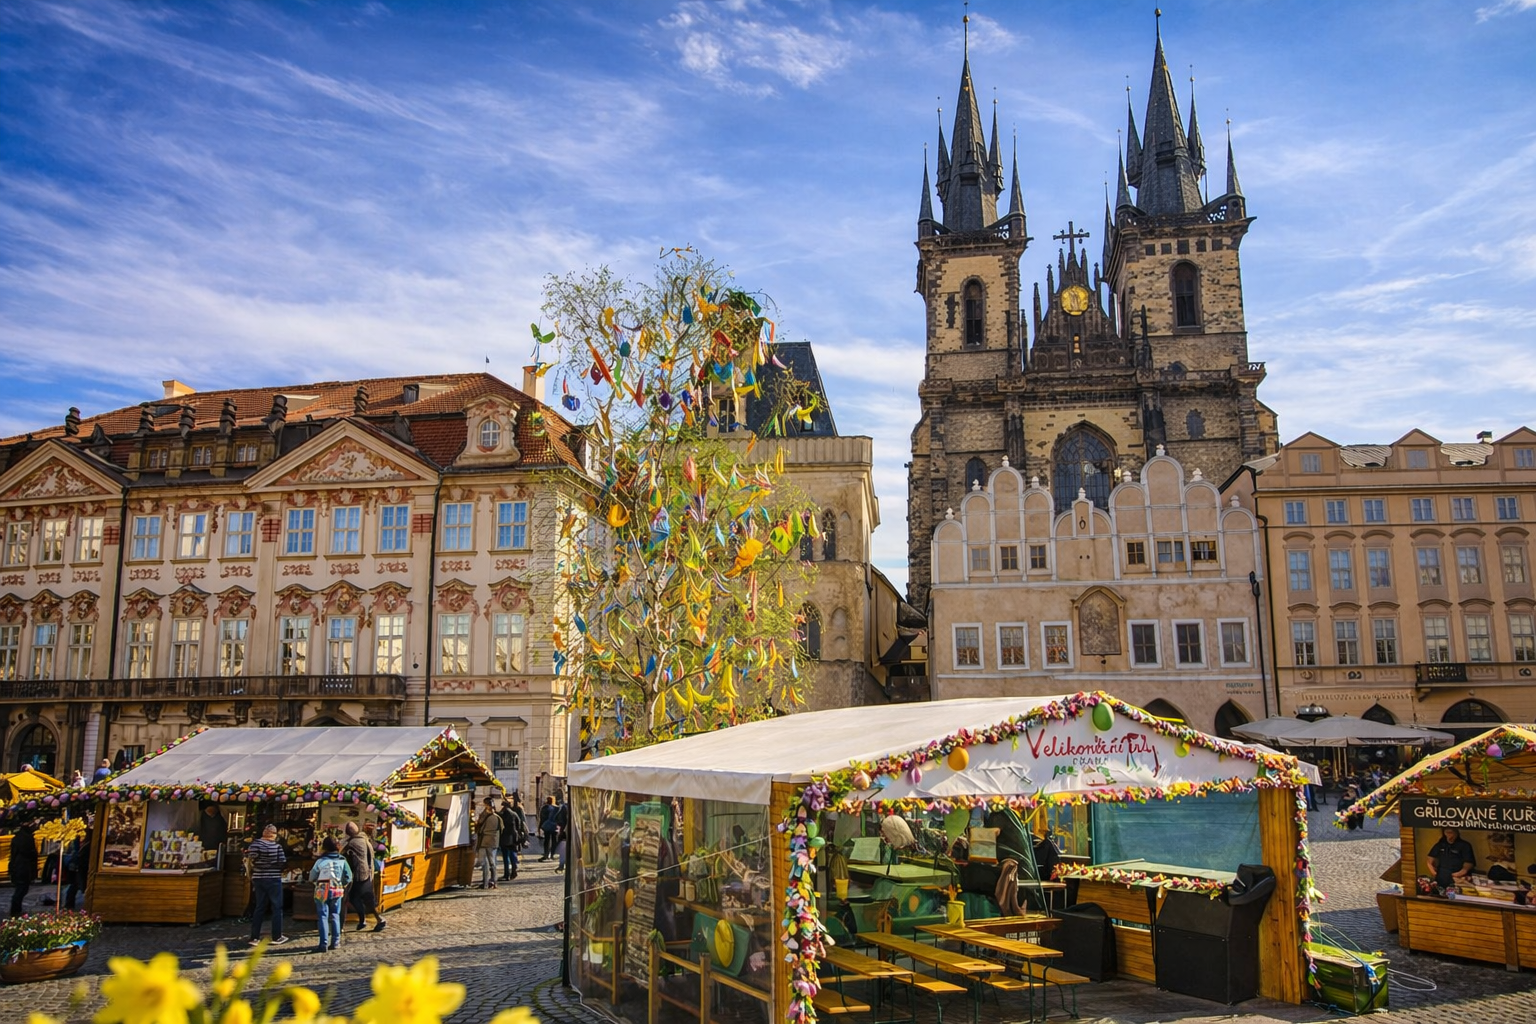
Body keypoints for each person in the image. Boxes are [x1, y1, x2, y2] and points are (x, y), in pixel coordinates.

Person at [247, 824, 290, 945]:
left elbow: (250, 859)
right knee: (277, 907)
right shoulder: (277, 847)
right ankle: (277, 936)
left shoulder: (255, 845)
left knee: (259, 907)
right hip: (273, 878)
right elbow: (282, 862)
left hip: (258, 878)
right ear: (273, 835)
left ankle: (254, 937)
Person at [308, 836, 353, 953]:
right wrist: (342, 884)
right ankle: (336, 942)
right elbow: (349, 877)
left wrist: (316, 882)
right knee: (335, 915)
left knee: (323, 916)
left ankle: (323, 944)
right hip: (337, 889)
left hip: (322, 890)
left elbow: (312, 877)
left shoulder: (320, 861)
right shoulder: (342, 860)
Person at [343, 822, 386, 931]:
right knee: (356, 898)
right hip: (367, 872)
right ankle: (363, 920)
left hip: (359, 875)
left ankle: (379, 919)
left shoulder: (352, 843)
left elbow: (345, 856)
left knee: (366, 899)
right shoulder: (364, 839)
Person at [7, 823, 37, 917]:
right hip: (24, 866)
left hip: (18, 865)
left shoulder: (16, 838)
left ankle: (16, 909)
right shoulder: (27, 839)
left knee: (20, 888)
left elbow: (13, 854)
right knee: (22, 889)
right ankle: (16, 909)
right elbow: (31, 854)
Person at [475, 799, 502, 889]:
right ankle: (493, 881)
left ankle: (486, 882)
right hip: (493, 841)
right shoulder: (497, 817)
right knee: (491, 862)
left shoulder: (486, 816)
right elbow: (501, 829)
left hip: (485, 841)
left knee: (486, 862)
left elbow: (479, 824)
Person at [498, 797, 525, 881]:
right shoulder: (514, 814)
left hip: (505, 837)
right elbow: (519, 825)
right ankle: (514, 871)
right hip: (514, 837)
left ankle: (507, 874)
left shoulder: (502, 815)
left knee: (506, 856)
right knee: (513, 855)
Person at [539, 795, 559, 861]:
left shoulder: (544, 808)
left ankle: (546, 854)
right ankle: (552, 854)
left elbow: (542, 818)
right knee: (554, 840)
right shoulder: (557, 808)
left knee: (546, 840)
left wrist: (540, 826)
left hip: (547, 826)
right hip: (555, 826)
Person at [555, 794, 570, 873]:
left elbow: (557, 818)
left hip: (565, 832)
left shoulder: (564, 807)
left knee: (563, 849)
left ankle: (561, 865)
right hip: (574, 833)